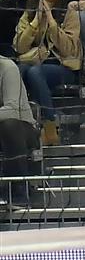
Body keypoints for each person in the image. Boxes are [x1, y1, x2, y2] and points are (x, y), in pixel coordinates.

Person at [15, 0, 80, 146]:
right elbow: (19, 47)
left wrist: (51, 22)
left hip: (64, 66)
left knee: (35, 72)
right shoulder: (29, 12)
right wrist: (36, 21)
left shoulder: (70, 13)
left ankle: (50, 127)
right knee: (18, 71)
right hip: (36, 62)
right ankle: (20, 124)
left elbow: (69, 49)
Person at [0, 56, 38, 208]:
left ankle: (19, 191)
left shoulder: (7, 68)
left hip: (23, 128)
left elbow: (12, 110)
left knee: (9, 126)